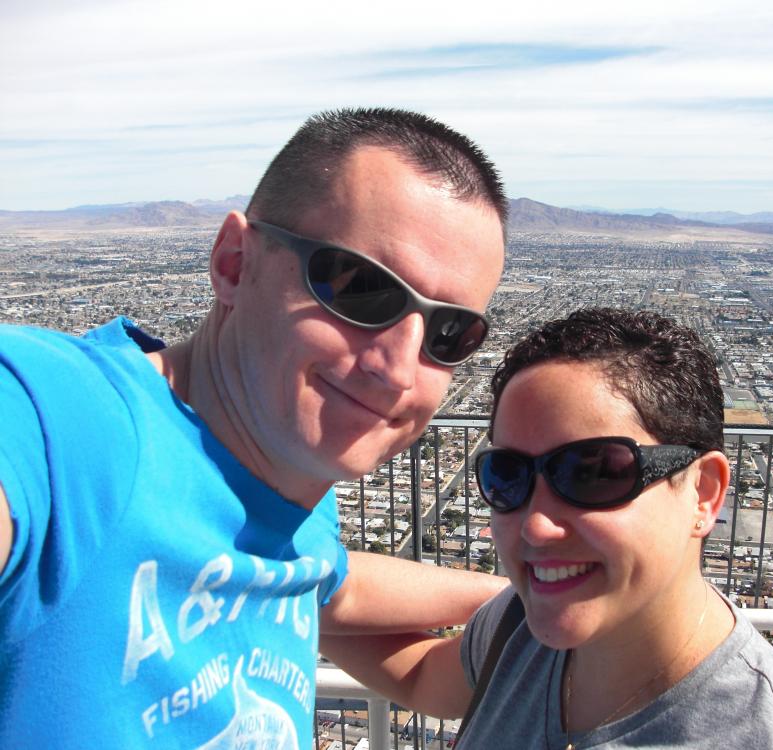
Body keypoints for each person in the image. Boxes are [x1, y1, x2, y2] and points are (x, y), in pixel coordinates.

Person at [0, 108, 509, 748]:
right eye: (361, 289)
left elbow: (340, 592)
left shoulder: (295, 501)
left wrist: (539, 598)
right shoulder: (58, 419)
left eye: (448, 334)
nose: (399, 371)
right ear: (235, 263)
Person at [324, 308, 773, 749]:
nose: (536, 524)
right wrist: (263, 584)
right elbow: (419, 675)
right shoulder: (519, 631)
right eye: (507, 475)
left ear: (703, 493)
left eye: (594, 473)